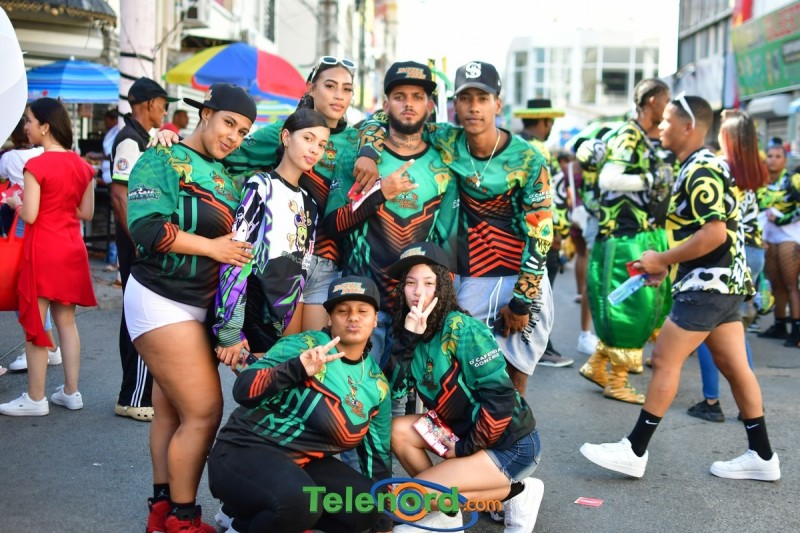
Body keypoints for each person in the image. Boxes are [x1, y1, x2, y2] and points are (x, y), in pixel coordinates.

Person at [580, 95, 781, 482]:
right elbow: (709, 234)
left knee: (665, 360)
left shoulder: (701, 167)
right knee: (736, 368)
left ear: (689, 127)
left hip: (708, 286)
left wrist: (663, 259)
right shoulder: (701, 164)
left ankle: (634, 449)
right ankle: (762, 455)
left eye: (668, 121)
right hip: (722, 284)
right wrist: (668, 265)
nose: (660, 127)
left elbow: (714, 233)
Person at [354, 61, 558, 395]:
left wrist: (522, 300)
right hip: (472, 277)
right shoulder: (446, 140)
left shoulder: (528, 159)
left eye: (482, 98)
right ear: (455, 105)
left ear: (497, 104)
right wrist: (367, 151)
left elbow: (542, 234)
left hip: (518, 278)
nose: (474, 107)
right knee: (461, 373)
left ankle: (514, 432)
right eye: (465, 98)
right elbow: (382, 118)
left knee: (513, 378)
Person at [124, 83, 257, 533]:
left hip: (198, 306)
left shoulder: (224, 170)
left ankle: (162, 511)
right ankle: (183, 518)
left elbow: (288, 137)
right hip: (162, 298)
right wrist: (213, 248)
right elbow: (145, 228)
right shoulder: (162, 158)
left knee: (172, 412)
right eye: (228, 123)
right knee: (203, 412)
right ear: (205, 114)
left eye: (242, 131)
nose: (233, 137)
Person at [207, 276, 391, 533]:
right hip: (242, 452)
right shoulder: (302, 346)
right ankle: (247, 519)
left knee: (365, 505)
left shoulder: (377, 384)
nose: (353, 317)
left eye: (363, 311)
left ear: (375, 319)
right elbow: (243, 389)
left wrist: (383, 525)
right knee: (301, 503)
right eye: (342, 311)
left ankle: (245, 521)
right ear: (329, 318)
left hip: (299, 466)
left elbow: (376, 457)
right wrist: (296, 368)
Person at [386, 242, 543, 533]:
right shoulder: (405, 329)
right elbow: (392, 391)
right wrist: (408, 339)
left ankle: (518, 493)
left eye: (428, 283)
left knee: (407, 500)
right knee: (397, 430)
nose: (418, 292)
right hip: (461, 433)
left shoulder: (463, 329)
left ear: (443, 286)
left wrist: (463, 449)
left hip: (510, 445)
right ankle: (445, 512)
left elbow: (501, 399)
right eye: (410, 283)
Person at [323, 60, 458, 369]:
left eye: (417, 97)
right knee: (356, 391)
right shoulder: (358, 156)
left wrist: (436, 307)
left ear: (429, 105)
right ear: (386, 105)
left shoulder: (443, 167)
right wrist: (379, 194)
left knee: (404, 394)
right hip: (361, 304)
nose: (408, 104)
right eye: (399, 96)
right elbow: (332, 225)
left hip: (414, 309)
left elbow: (446, 247)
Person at [578, 79, 673, 404]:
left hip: (637, 234)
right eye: (665, 101)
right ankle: (617, 381)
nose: (668, 108)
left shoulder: (643, 137)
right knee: (631, 307)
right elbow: (609, 179)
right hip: (623, 236)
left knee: (635, 304)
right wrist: (651, 179)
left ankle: (597, 364)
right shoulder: (629, 135)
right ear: (651, 101)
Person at [0, 98, 96, 416]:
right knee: (66, 323)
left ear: (45, 126)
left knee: (36, 323)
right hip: (72, 249)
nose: (25, 126)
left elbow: (30, 214)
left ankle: (36, 398)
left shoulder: (36, 166)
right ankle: (71, 392)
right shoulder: (84, 166)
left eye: (29, 120)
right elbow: (86, 212)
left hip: (43, 250)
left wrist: (14, 202)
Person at [213, 109, 329, 362]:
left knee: (287, 377)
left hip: (288, 310)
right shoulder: (261, 185)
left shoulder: (310, 204)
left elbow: (302, 268)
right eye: (307, 139)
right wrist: (230, 325)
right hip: (255, 303)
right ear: (286, 137)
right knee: (259, 380)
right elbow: (237, 253)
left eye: (321, 145)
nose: (314, 150)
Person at [687, 109, 768, 422]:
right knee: (733, 331)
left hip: (729, 254)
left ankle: (712, 401)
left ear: (728, 137)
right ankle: (750, 404)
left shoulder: (719, 167)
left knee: (706, 332)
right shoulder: (754, 170)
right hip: (754, 254)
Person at [111, 77, 178, 422]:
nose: (165, 111)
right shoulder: (129, 140)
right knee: (138, 316)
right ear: (150, 103)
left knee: (139, 314)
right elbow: (119, 195)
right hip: (135, 243)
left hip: (141, 241)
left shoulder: (143, 138)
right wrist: (138, 240)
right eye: (163, 104)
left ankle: (138, 393)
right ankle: (133, 397)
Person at [514, 98, 576, 366]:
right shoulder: (540, 150)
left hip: (519, 231)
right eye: (549, 123)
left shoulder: (515, 144)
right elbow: (552, 197)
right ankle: (541, 349)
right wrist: (559, 232)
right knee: (541, 294)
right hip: (542, 233)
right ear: (544, 122)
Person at [0, 117, 62, 371]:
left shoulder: (10, 159)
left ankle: (39, 347)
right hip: (49, 227)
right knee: (36, 290)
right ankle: (51, 347)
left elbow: (3, 178)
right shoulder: (46, 155)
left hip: (22, 222)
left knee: (23, 288)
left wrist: (16, 203)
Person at [756, 138, 800, 346]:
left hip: (789, 236)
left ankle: (797, 329)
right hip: (768, 237)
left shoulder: (793, 181)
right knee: (776, 284)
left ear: (785, 160)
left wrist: (782, 219)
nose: (773, 160)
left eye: (778, 156)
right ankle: (780, 324)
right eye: (770, 156)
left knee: (791, 284)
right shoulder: (760, 182)